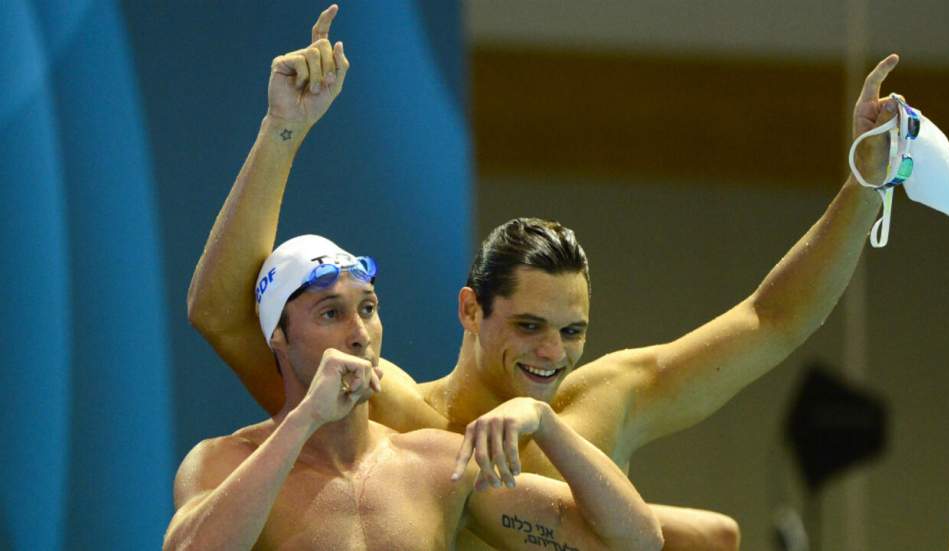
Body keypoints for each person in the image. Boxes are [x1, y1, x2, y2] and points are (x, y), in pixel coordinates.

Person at [188, 5, 899, 549]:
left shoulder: (610, 400)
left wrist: (865, 185)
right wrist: (283, 130)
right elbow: (224, 311)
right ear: (470, 309)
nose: (550, 353)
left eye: (571, 330)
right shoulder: (392, 411)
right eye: (528, 325)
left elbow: (771, 319)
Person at [165, 235, 663, 550]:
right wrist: (303, 421)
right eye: (330, 313)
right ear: (278, 335)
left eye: (368, 308)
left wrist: (545, 420)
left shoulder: (440, 467)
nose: (359, 332)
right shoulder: (224, 463)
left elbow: (636, 541)